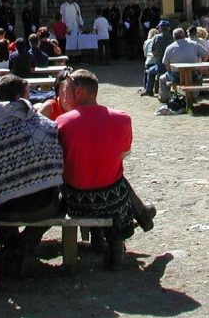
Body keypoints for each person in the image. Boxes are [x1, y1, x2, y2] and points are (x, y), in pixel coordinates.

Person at [56, 70, 148, 270]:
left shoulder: (62, 123)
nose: (63, 97)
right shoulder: (123, 119)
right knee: (115, 176)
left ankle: (99, 238)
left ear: (79, 92)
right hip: (112, 199)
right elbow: (124, 153)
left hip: (76, 200)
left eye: (66, 91)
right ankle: (117, 238)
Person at [0, 74, 63, 275]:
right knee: (59, 200)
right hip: (42, 206)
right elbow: (58, 161)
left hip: (4, 208)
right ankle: (25, 244)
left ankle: (12, 246)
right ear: (19, 98)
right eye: (27, 93)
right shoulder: (41, 125)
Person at [141, 21, 173, 97]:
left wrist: (157, 57)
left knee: (151, 72)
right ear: (168, 28)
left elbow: (153, 50)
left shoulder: (156, 37)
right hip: (171, 65)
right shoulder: (172, 37)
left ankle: (149, 91)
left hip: (160, 65)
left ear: (160, 28)